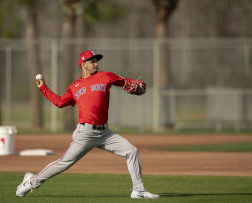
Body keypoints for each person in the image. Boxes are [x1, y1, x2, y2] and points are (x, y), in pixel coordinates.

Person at [16, 50, 160, 199]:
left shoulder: (106, 76)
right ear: (84, 65)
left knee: (131, 151)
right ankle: (31, 182)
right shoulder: (75, 86)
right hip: (85, 133)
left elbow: (125, 83)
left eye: (97, 61)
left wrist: (135, 85)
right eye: (92, 61)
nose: (96, 63)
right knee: (64, 163)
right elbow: (60, 102)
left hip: (105, 133)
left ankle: (138, 190)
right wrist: (43, 87)